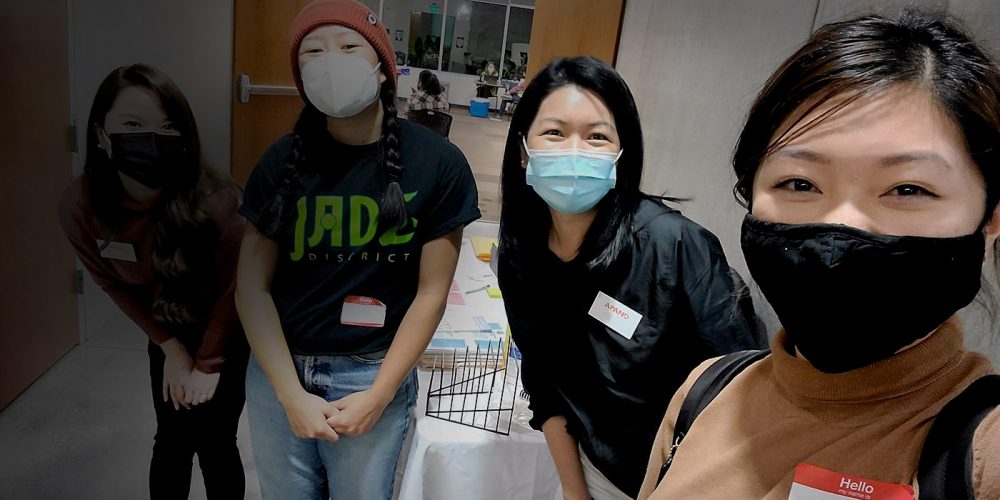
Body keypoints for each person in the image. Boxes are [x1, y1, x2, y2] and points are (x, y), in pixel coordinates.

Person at [639, 10, 1000, 499]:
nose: (841, 227)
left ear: (990, 217)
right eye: (799, 183)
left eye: (908, 188)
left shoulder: (985, 455)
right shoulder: (706, 390)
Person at [234, 1, 480, 498]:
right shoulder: (281, 161)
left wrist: (380, 393)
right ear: (300, 75)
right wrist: (288, 393)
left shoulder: (438, 163)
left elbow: (431, 293)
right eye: (313, 52)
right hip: (279, 369)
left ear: (382, 66)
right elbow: (250, 288)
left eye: (349, 47)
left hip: (372, 373)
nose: (331, 61)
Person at [496, 56, 758, 500]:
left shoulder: (673, 246)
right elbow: (546, 389)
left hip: (686, 485)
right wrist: (577, 493)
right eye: (554, 133)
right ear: (524, 150)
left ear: (621, 154)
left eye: (596, 136)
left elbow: (743, 397)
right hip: (596, 475)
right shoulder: (521, 256)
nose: (574, 151)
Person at [58, 64, 249, 499]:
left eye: (167, 127)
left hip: (226, 327)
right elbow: (113, 282)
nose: (151, 139)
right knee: (173, 438)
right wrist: (170, 347)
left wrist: (207, 363)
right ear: (101, 133)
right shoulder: (80, 205)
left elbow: (232, 291)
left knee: (216, 441)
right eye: (131, 125)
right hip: (166, 327)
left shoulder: (220, 203)